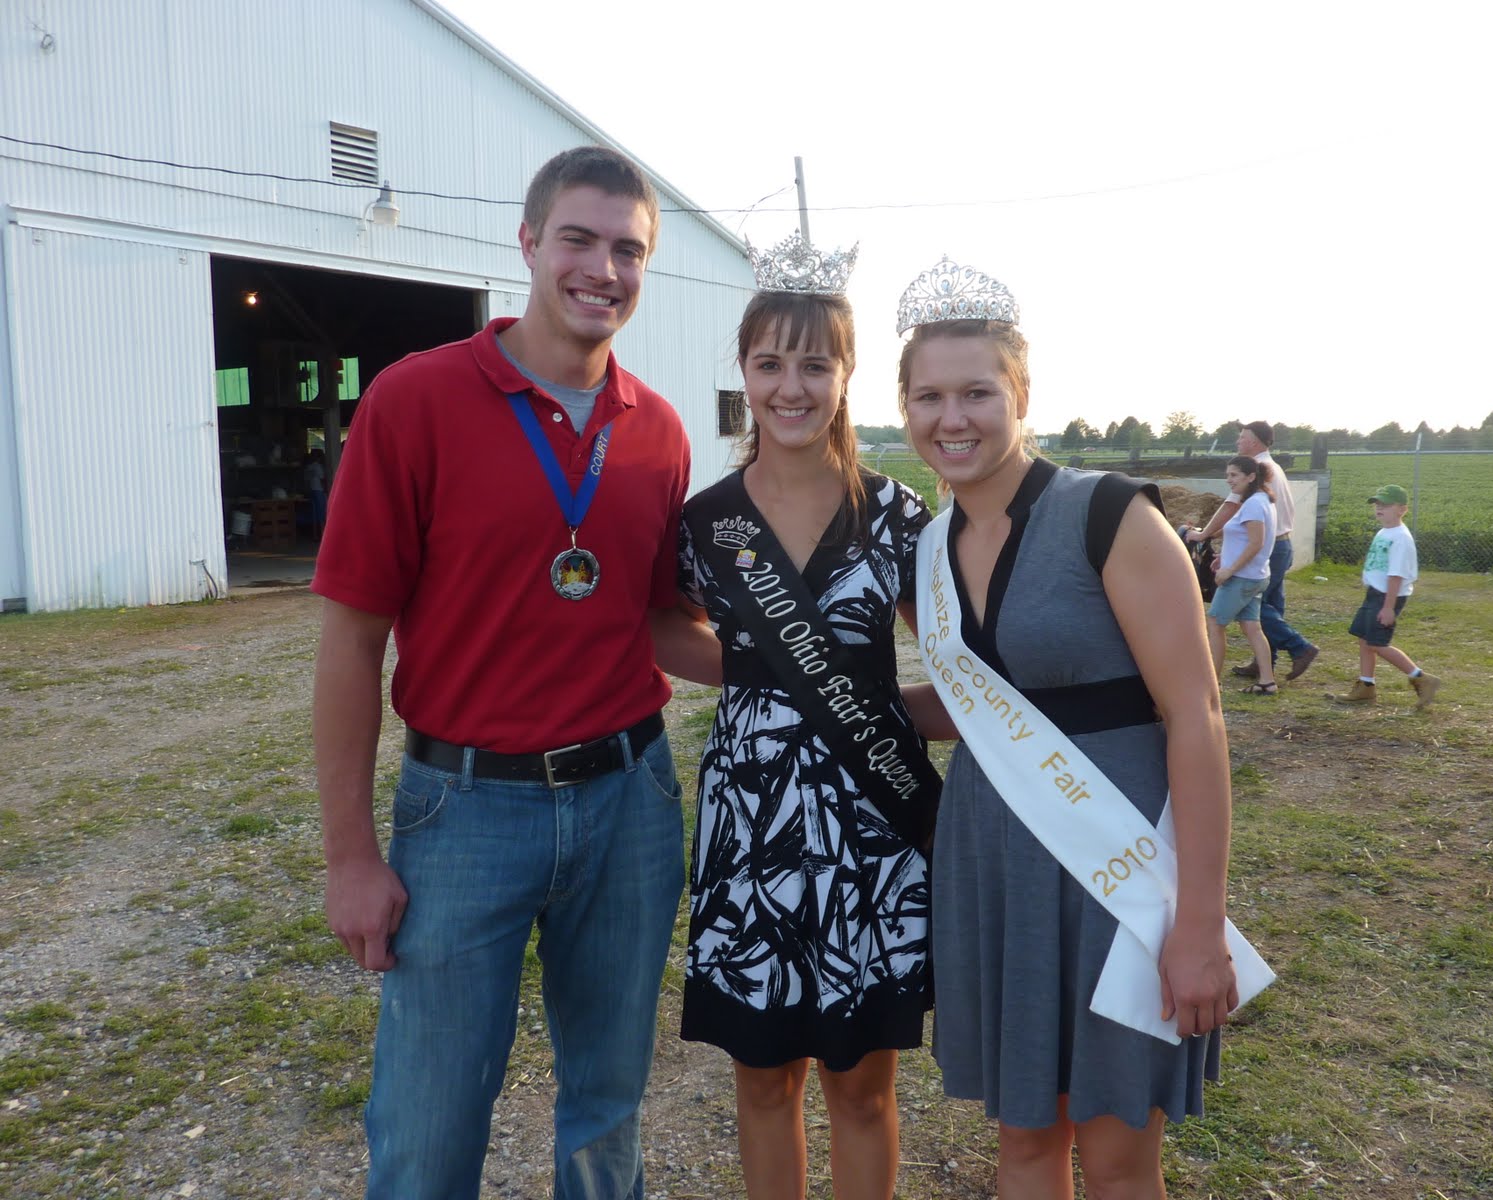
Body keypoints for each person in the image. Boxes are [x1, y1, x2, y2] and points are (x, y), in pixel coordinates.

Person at [311, 145, 717, 1200]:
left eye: (628, 249)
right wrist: (351, 856)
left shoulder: (658, 429)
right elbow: (352, 641)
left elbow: (658, 621)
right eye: (578, 239)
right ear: (528, 242)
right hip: (465, 809)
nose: (603, 268)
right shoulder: (416, 400)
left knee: (606, 1107)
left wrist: (805, 678)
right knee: (429, 1118)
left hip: (630, 802)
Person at [897, 257, 1268, 1199]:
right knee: (1023, 1142)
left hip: (1116, 868)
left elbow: (1197, 714)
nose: (954, 418)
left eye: (977, 391)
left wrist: (1198, 925)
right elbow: (996, 708)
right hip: (993, 864)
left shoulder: (1108, 514)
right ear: (904, 408)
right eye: (930, 396)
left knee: (1113, 1150)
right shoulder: (930, 549)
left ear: (1021, 393)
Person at [676, 234, 944, 1200]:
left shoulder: (898, 518)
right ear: (744, 371)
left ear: (847, 375)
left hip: (872, 820)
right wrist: (767, 683)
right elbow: (664, 631)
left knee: (862, 1086)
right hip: (753, 823)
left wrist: (885, 711)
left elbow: (966, 668)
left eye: (815, 364)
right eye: (770, 363)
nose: (792, 386)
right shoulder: (706, 523)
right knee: (761, 1079)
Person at [1186, 420, 1319, 681]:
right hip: (1281, 543)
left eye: (1242, 437)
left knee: (1253, 605)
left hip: (1267, 546)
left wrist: (1204, 534)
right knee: (1269, 606)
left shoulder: (1256, 471)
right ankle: (1265, 663)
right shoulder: (1274, 467)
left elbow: (1229, 508)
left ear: (1255, 441)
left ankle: (1299, 647)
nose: (1238, 442)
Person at [1333, 484, 1442, 708]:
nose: (1379, 509)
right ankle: (1366, 686)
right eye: (1377, 505)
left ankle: (1422, 678)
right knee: (1364, 638)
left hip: (1386, 598)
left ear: (1402, 509)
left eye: (1386, 505)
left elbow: (1396, 575)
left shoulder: (1401, 538)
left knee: (1377, 643)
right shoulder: (1384, 532)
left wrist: (1388, 607)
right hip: (1375, 594)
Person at [1207, 455, 1278, 696]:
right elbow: (1245, 539)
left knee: (1215, 624)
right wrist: (1224, 558)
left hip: (1242, 578)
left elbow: (1256, 543)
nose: (1229, 480)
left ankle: (1212, 683)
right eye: (1227, 475)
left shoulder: (1254, 504)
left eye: (1234, 475)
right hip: (1255, 576)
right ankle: (1267, 682)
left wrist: (1229, 569)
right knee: (1252, 628)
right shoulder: (1261, 501)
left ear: (1251, 477)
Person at [303, 447, 327, 538]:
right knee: (322, 513)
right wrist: (326, 489)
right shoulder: (318, 466)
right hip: (319, 490)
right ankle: (323, 533)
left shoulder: (309, 467)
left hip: (312, 490)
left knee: (315, 514)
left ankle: (315, 534)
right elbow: (322, 479)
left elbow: (307, 480)